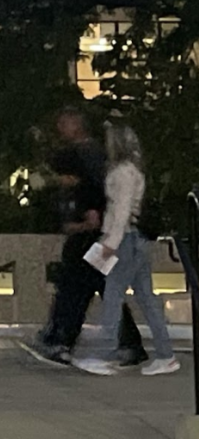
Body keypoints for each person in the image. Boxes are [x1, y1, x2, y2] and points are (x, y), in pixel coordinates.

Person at [34, 108, 146, 366]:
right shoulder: (93, 155)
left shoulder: (86, 155)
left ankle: (60, 339)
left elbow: (93, 188)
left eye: (65, 122)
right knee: (97, 284)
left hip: (90, 235)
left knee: (76, 284)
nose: (61, 127)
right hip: (96, 234)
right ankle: (127, 342)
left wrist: (87, 214)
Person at [74, 124, 179, 376]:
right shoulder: (134, 171)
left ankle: (105, 354)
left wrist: (111, 242)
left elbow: (119, 211)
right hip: (135, 239)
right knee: (146, 299)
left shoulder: (122, 173)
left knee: (113, 297)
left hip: (124, 240)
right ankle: (165, 354)